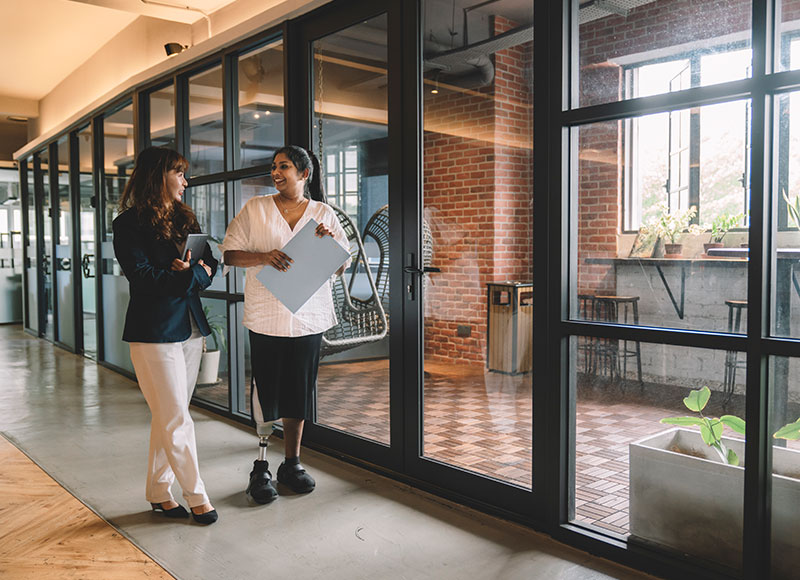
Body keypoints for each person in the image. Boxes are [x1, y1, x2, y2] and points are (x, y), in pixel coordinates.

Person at [221, 146, 349, 504]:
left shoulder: (323, 213)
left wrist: (328, 245)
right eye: (274, 167)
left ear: (304, 174)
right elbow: (229, 254)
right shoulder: (255, 209)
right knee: (266, 393)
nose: (276, 172)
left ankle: (291, 463)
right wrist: (263, 256)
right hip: (267, 317)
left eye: (284, 167)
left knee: (299, 392)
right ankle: (261, 466)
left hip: (309, 318)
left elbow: (339, 266)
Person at [112, 146, 219, 525]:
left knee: (169, 416)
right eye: (179, 173)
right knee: (176, 419)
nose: (185, 182)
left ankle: (159, 491)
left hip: (190, 329)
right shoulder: (127, 224)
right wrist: (188, 275)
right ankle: (198, 496)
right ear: (159, 175)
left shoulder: (183, 217)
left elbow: (212, 261)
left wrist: (195, 272)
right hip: (154, 331)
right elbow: (142, 278)